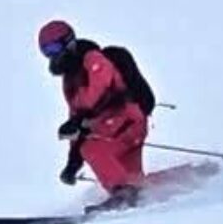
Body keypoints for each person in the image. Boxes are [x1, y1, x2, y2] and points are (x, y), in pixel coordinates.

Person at [38, 19, 148, 211]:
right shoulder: (70, 80)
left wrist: (77, 121)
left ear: (69, 42)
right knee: (131, 178)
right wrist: (73, 163)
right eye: (46, 51)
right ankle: (160, 186)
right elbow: (77, 116)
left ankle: (124, 195)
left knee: (91, 148)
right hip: (116, 130)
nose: (52, 55)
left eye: (55, 48)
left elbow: (101, 90)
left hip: (127, 122)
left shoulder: (93, 59)